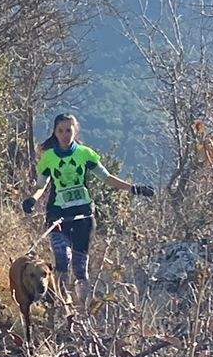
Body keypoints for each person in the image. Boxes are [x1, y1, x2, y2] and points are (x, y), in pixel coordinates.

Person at [22, 112, 153, 306]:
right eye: (61, 131)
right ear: (55, 132)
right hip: (58, 215)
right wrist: (32, 199)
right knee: (62, 260)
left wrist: (134, 188)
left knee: (80, 267)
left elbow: (106, 177)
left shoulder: (85, 154)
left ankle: (81, 309)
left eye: (69, 130)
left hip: (83, 216)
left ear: (75, 130)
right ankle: (62, 305)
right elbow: (42, 184)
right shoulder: (48, 157)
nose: (65, 134)